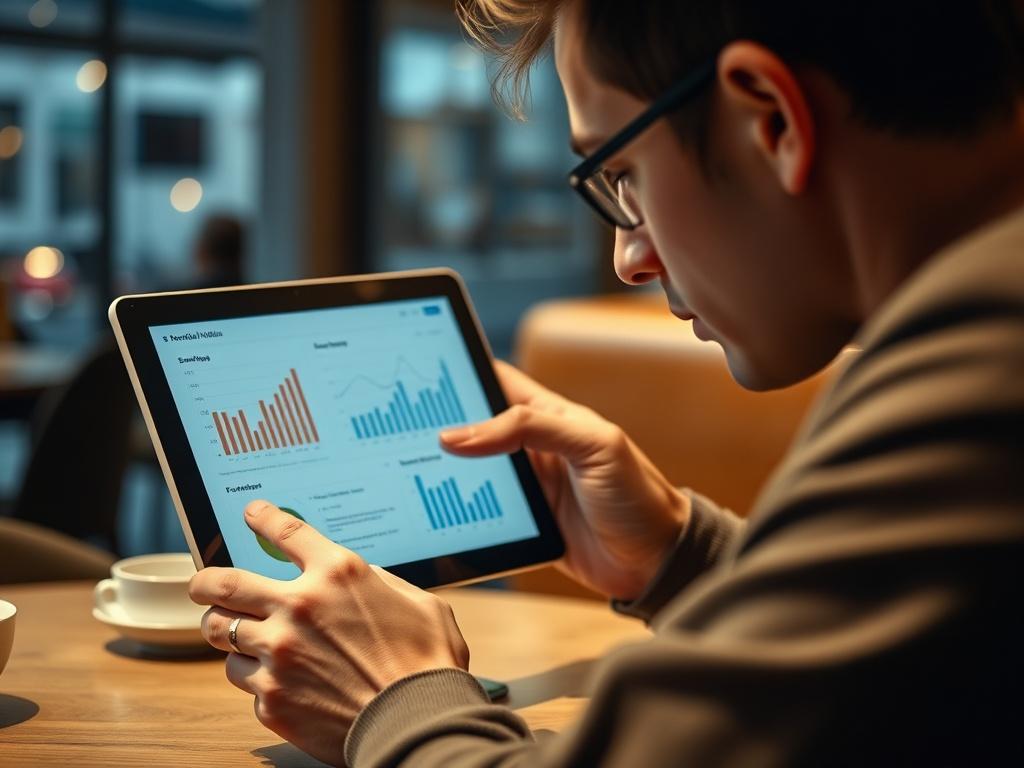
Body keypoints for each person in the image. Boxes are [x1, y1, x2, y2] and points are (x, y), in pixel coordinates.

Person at [189, 1, 1024, 765]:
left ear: (769, 118)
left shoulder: (985, 370)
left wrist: (394, 700)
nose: (631, 257)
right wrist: (679, 553)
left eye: (622, 175)